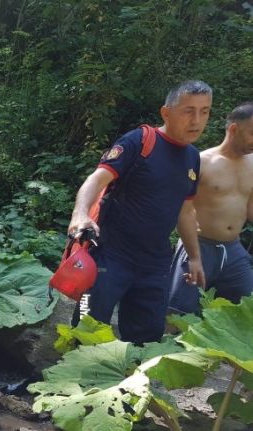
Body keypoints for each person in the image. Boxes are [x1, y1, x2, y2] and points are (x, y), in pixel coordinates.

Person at [67, 80, 212, 344]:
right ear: (166, 113)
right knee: (87, 326)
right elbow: (97, 179)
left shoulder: (193, 157)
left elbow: (186, 211)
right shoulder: (140, 141)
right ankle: (72, 380)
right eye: (188, 110)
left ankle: (130, 383)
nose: (197, 120)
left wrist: (194, 257)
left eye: (205, 111)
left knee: (147, 339)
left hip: (154, 264)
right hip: (110, 254)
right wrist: (80, 214)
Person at [169, 102, 253, 313]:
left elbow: (249, 208)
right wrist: (193, 254)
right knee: (178, 313)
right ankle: (163, 347)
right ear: (234, 129)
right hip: (198, 246)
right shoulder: (202, 161)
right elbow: (181, 210)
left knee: (246, 311)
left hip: (234, 250)